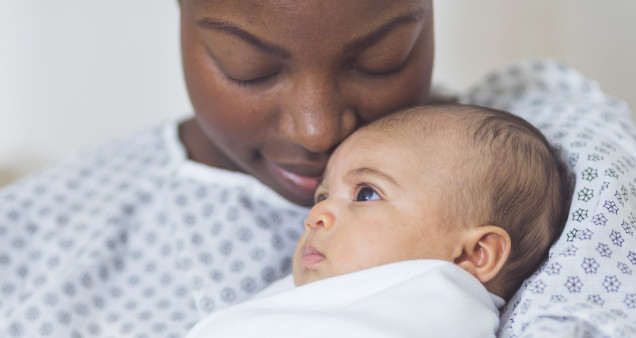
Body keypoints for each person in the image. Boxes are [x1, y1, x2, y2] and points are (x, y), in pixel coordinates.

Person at [1, 0, 635, 337]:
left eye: (383, 57)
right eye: (249, 66)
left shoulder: (553, 146)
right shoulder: (33, 242)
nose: (318, 129)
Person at [186, 104, 573, 337]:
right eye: (322, 195)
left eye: (366, 194)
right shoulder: (347, 291)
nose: (316, 215)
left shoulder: (438, 308)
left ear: (473, 254)